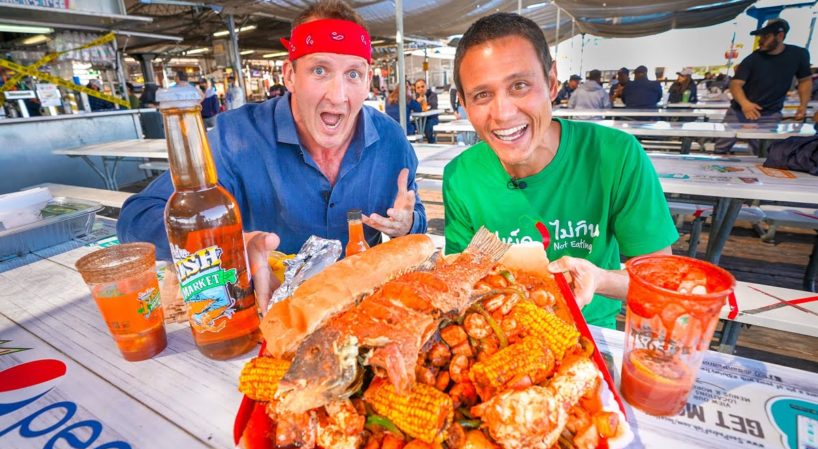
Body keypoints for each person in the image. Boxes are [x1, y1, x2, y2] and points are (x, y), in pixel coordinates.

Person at [117, 0, 427, 309]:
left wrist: (407, 225)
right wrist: (233, 246)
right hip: (268, 313)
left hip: (365, 310)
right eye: (320, 70)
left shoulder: (391, 140)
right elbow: (137, 218)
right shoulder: (236, 137)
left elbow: (416, 219)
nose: (338, 95)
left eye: (353, 74)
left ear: (368, 80)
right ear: (290, 75)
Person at [443, 12, 677, 329]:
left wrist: (600, 278)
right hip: (499, 332)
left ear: (552, 83)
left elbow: (662, 283)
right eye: (482, 95)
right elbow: (460, 276)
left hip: (590, 329)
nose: (503, 113)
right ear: (464, 103)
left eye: (520, 86)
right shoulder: (460, 175)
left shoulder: (616, 156)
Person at [715, 18, 811, 154]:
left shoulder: (798, 55)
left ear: (780, 36)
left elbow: (805, 81)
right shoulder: (753, 58)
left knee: (763, 152)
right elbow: (735, 84)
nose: (760, 40)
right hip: (739, 112)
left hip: (770, 114)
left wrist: (803, 105)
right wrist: (745, 104)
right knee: (721, 147)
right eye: (760, 36)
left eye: (765, 36)